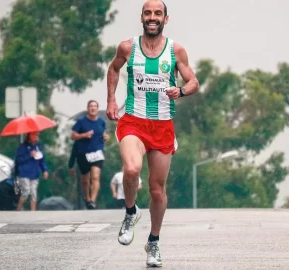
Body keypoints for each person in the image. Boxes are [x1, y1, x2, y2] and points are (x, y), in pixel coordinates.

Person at [106, 0, 199, 267]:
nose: (152, 17)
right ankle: (130, 212)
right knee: (132, 170)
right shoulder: (127, 47)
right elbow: (114, 68)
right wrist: (111, 100)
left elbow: (193, 81)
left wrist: (180, 91)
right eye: (148, 13)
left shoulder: (176, 50)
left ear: (165, 19)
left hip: (162, 125)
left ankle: (154, 242)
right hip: (133, 121)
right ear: (142, 17)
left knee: (157, 191)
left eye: (158, 13)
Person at [71, 100, 110, 209]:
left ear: (97, 109)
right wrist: (84, 135)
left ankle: (93, 200)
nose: (93, 108)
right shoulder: (81, 122)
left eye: (95, 106)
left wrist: (106, 137)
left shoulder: (101, 122)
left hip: (97, 153)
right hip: (83, 153)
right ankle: (87, 199)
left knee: (95, 176)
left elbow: (103, 133)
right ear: (87, 108)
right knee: (85, 180)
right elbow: (73, 136)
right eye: (91, 106)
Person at [14, 132, 49, 211]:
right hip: (24, 173)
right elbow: (18, 160)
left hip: (34, 173)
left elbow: (42, 161)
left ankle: (33, 211)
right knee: (26, 191)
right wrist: (29, 155)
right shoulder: (22, 147)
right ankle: (19, 208)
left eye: (36, 135)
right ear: (29, 136)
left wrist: (45, 170)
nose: (35, 137)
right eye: (33, 135)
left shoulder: (38, 147)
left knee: (34, 192)